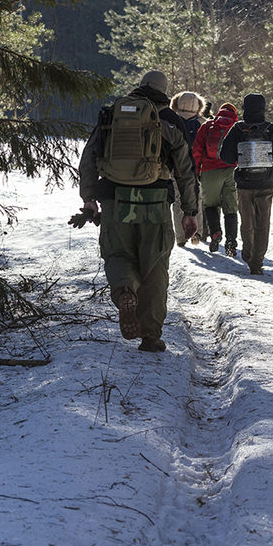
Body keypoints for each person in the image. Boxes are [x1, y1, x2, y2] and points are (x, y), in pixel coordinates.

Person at [76, 70, 199, 353]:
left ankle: (125, 291)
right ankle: (151, 336)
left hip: (114, 201)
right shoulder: (170, 120)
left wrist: (89, 198)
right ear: (164, 91)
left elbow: (88, 158)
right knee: (155, 265)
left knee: (117, 254)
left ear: (140, 86)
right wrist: (189, 210)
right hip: (154, 203)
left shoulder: (114, 115)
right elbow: (186, 169)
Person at [219, 94, 273, 274]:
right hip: (266, 183)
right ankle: (257, 261)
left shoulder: (237, 129)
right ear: (263, 108)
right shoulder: (271, 129)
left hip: (244, 184)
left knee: (247, 222)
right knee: (263, 223)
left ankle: (249, 254)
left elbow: (225, 157)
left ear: (244, 107)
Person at [192, 103, 240, 255]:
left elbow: (197, 150)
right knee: (231, 208)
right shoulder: (237, 126)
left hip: (209, 170)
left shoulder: (208, 126)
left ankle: (215, 233)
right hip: (232, 170)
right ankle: (231, 241)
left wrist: (197, 170)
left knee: (210, 204)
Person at [169, 91, 208, 246]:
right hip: (196, 167)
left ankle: (180, 237)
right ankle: (196, 234)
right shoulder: (202, 122)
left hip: (175, 166)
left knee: (178, 200)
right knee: (196, 199)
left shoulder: (172, 121)